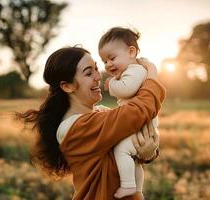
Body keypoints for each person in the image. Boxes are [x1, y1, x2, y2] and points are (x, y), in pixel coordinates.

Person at [16, 46, 165, 200]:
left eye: (96, 68)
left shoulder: (101, 113)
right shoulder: (76, 127)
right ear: (67, 86)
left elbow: (132, 140)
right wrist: (151, 73)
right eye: (88, 73)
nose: (98, 76)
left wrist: (148, 153)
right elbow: (138, 112)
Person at [98, 27, 160, 198]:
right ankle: (137, 191)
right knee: (134, 161)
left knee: (122, 150)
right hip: (141, 124)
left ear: (131, 52)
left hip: (140, 125)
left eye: (112, 58)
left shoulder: (135, 71)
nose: (108, 64)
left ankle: (128, 186)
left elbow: (126, 90)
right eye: (104, 61)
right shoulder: (135, 70)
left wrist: (111, 84)